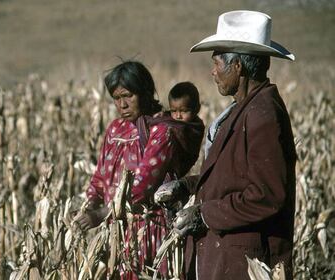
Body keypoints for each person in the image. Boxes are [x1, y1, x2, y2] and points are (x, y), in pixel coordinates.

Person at [154, 10, 297, 280]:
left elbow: (266, 195)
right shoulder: (243, 110)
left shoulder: (263, 115)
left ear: (237, 67)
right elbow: (232, 179)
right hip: (226, 260)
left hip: (245, 264)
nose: (213, 71)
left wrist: (204, 215)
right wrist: (186, 187)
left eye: (217, 63)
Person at [76, 60, 205, 278]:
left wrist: (101, 213)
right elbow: (100, 177)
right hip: (115, 231)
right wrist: (86, 209)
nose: (122, 104)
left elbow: (141, 187)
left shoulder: (162, 130)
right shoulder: (115, 129)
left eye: (128, 96)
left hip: (147, 232)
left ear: (145, 92)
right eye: (117, 98)